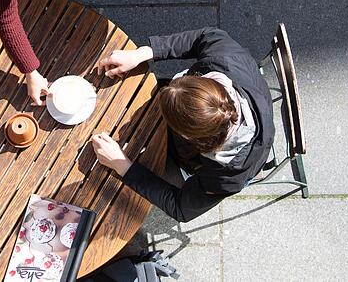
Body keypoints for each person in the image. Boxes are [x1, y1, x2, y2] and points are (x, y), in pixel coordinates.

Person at [91, 28, 275, 222]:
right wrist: (143, 53)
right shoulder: (225, 61)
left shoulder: (227, 176)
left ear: (188, 137)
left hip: (188, 158)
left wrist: (123, 166)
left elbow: (181, 208)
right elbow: (207, 36)